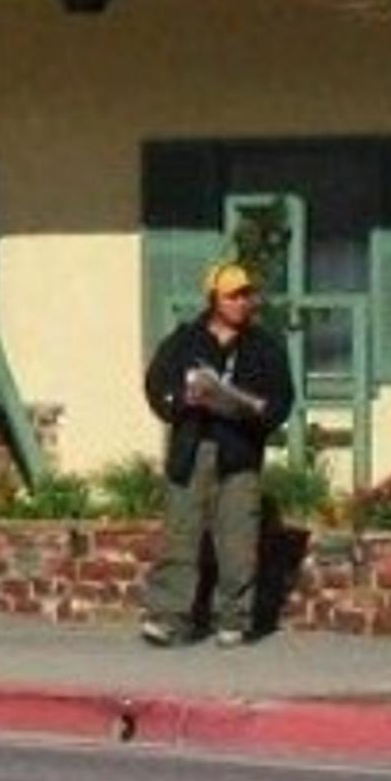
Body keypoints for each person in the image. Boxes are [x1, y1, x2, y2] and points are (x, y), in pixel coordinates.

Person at [137, 261, 295, 647]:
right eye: (233, 295)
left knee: (238, 539)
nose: (242, 302)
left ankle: (235, 618)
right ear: (214, 299)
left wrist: (257, 409)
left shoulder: (263, 346)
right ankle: (170, 617)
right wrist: (180, 398)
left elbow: (281, 399)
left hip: (239, 450)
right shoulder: (185, 341)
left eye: (246, 295)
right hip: (193, 446)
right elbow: (158, 384)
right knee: (181, 535)